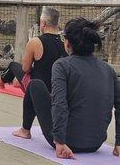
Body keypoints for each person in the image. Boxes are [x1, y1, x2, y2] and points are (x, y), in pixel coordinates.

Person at [27, 18, 119, 159]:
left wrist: (59, 141)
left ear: (67, 42)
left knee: (35, 85)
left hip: (67, 142)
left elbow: (60, 104)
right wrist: (118, 142)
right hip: (96, 143)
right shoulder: (108, 70)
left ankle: (24, 130)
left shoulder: (62, 65)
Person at [0, 7, 66, 139]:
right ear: (57, 24)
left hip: (38, 87)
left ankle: (1, 81)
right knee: (32, 84)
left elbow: (25, 68)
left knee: (14, 66)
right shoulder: (64, 44)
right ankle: (25, 129)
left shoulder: (35, 42)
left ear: (43, 23)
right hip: (56, 89)